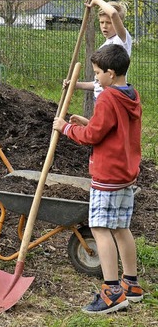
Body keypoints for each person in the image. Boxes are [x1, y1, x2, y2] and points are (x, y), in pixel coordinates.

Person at [53, 44, 143, 314]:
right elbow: (107, 128)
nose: (94, 79)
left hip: (107, 173)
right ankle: (131, 284)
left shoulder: (107, 98)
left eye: (96, 74)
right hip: (126, 171)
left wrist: (67, 127)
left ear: (111, 74)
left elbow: (92, 136)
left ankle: (112, 292)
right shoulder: (130, 94)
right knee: (120, 227)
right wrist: (87, 121)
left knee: (101, 229)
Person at [72, 0, 132, 101]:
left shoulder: (122, 39)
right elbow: (98, 83)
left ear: (119, 22)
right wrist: (75, 85)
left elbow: (113, 14)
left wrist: (96, 0)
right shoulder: (104, 47)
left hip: (112, 98)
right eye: (101, 22)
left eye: (108, 23)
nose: (104, 26)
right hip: (100, 98)